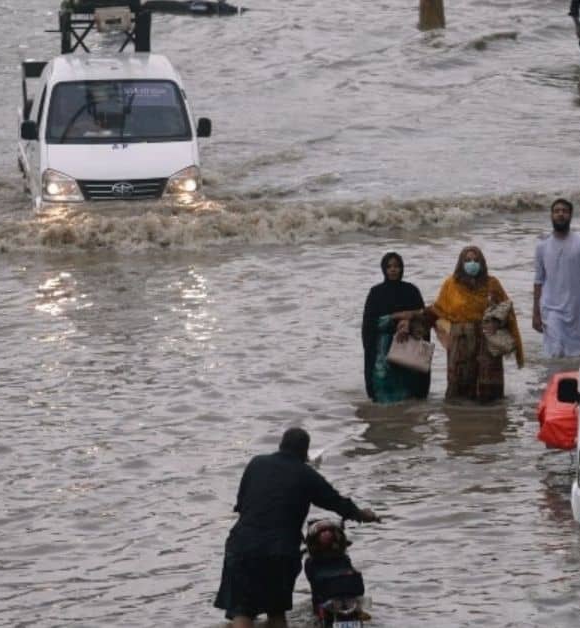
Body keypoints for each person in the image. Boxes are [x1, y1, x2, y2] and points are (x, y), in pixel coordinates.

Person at [215, 428, 379, 628]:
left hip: (242, 547)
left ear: (281, 445)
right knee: (276, 611)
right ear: (305, 452)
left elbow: (240, 505)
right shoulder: (306, 474)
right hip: (280, 553)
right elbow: (335, 501)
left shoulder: (256, 463)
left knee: (242, 611)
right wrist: (362, 514)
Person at [428, 246, 525, 402]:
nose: (472, 263)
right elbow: (438, 311)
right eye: (467, 260)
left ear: (482, 263)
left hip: (487, 343)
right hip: (461, 345)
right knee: (460, 396)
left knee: (490, 399)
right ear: (461, 263)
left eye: (476, 260)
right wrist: (413, 320)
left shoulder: (492, 284)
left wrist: (496, 323)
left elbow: (507, 310)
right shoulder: (450, 285)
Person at [361, 252, 431, 403]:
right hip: (383, 351)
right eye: (389, 266)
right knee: (383, 396)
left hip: (408, 348)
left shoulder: (411, 290)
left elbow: (424, 318)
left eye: (397, 266)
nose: (393, 270)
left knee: (409, 397)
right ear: (384, 269)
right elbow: (370, 324)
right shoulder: (376, 292)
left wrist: (408, 323)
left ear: (402, 269)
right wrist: (394, 317)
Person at [532, 199, 580, 360]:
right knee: (555, 351)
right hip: (551, 308)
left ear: (570, 215)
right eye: (557, 211)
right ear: (551, 215)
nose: (560, 214)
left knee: (577, 356)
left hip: (577, 309)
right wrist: (536, 313)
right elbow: (538, 281)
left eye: (564, 211)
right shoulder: (542, 246)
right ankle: (552, 381)